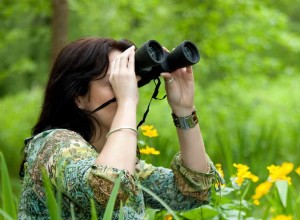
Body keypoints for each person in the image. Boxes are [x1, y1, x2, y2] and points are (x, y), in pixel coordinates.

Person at [18, 37, 223, 219]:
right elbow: (109, 188)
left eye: (129, 82)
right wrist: (126, 102)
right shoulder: (53, 145)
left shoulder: (121, 163)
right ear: (79, 97)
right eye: (114, 82)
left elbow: (193, 193)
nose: (128, 89)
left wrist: (184, 110)